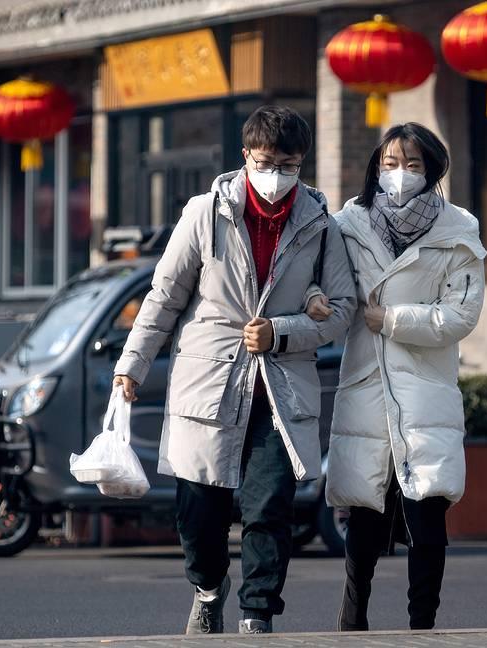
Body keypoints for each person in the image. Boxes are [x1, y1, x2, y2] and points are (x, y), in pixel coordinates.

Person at [112, 106, 356, 635]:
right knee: (199, 509)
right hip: (210, 379)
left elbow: (342, 309)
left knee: (269, 507)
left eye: (288, 164)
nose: (276, 176)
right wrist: (132, 364)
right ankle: (207, 588)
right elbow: (165, 296)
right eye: (266, 162)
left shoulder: (319, 224)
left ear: (302, 163)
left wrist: (284, 330)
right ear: (245, 156)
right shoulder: (206, 213)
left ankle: (257, 614)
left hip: (281, 383)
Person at [307, 123, 487, 631]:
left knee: (428, 517)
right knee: (364, 516)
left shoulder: (458, 230)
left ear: (432, 170)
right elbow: (317, 276)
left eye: (412, 165)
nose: (400, 175)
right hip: (366, 386)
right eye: (390, 164)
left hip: (424, 389)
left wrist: (393, 319)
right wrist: (313, 299)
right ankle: (352, 618)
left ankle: (423, 626)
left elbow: (462, 315)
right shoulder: (350, 222)